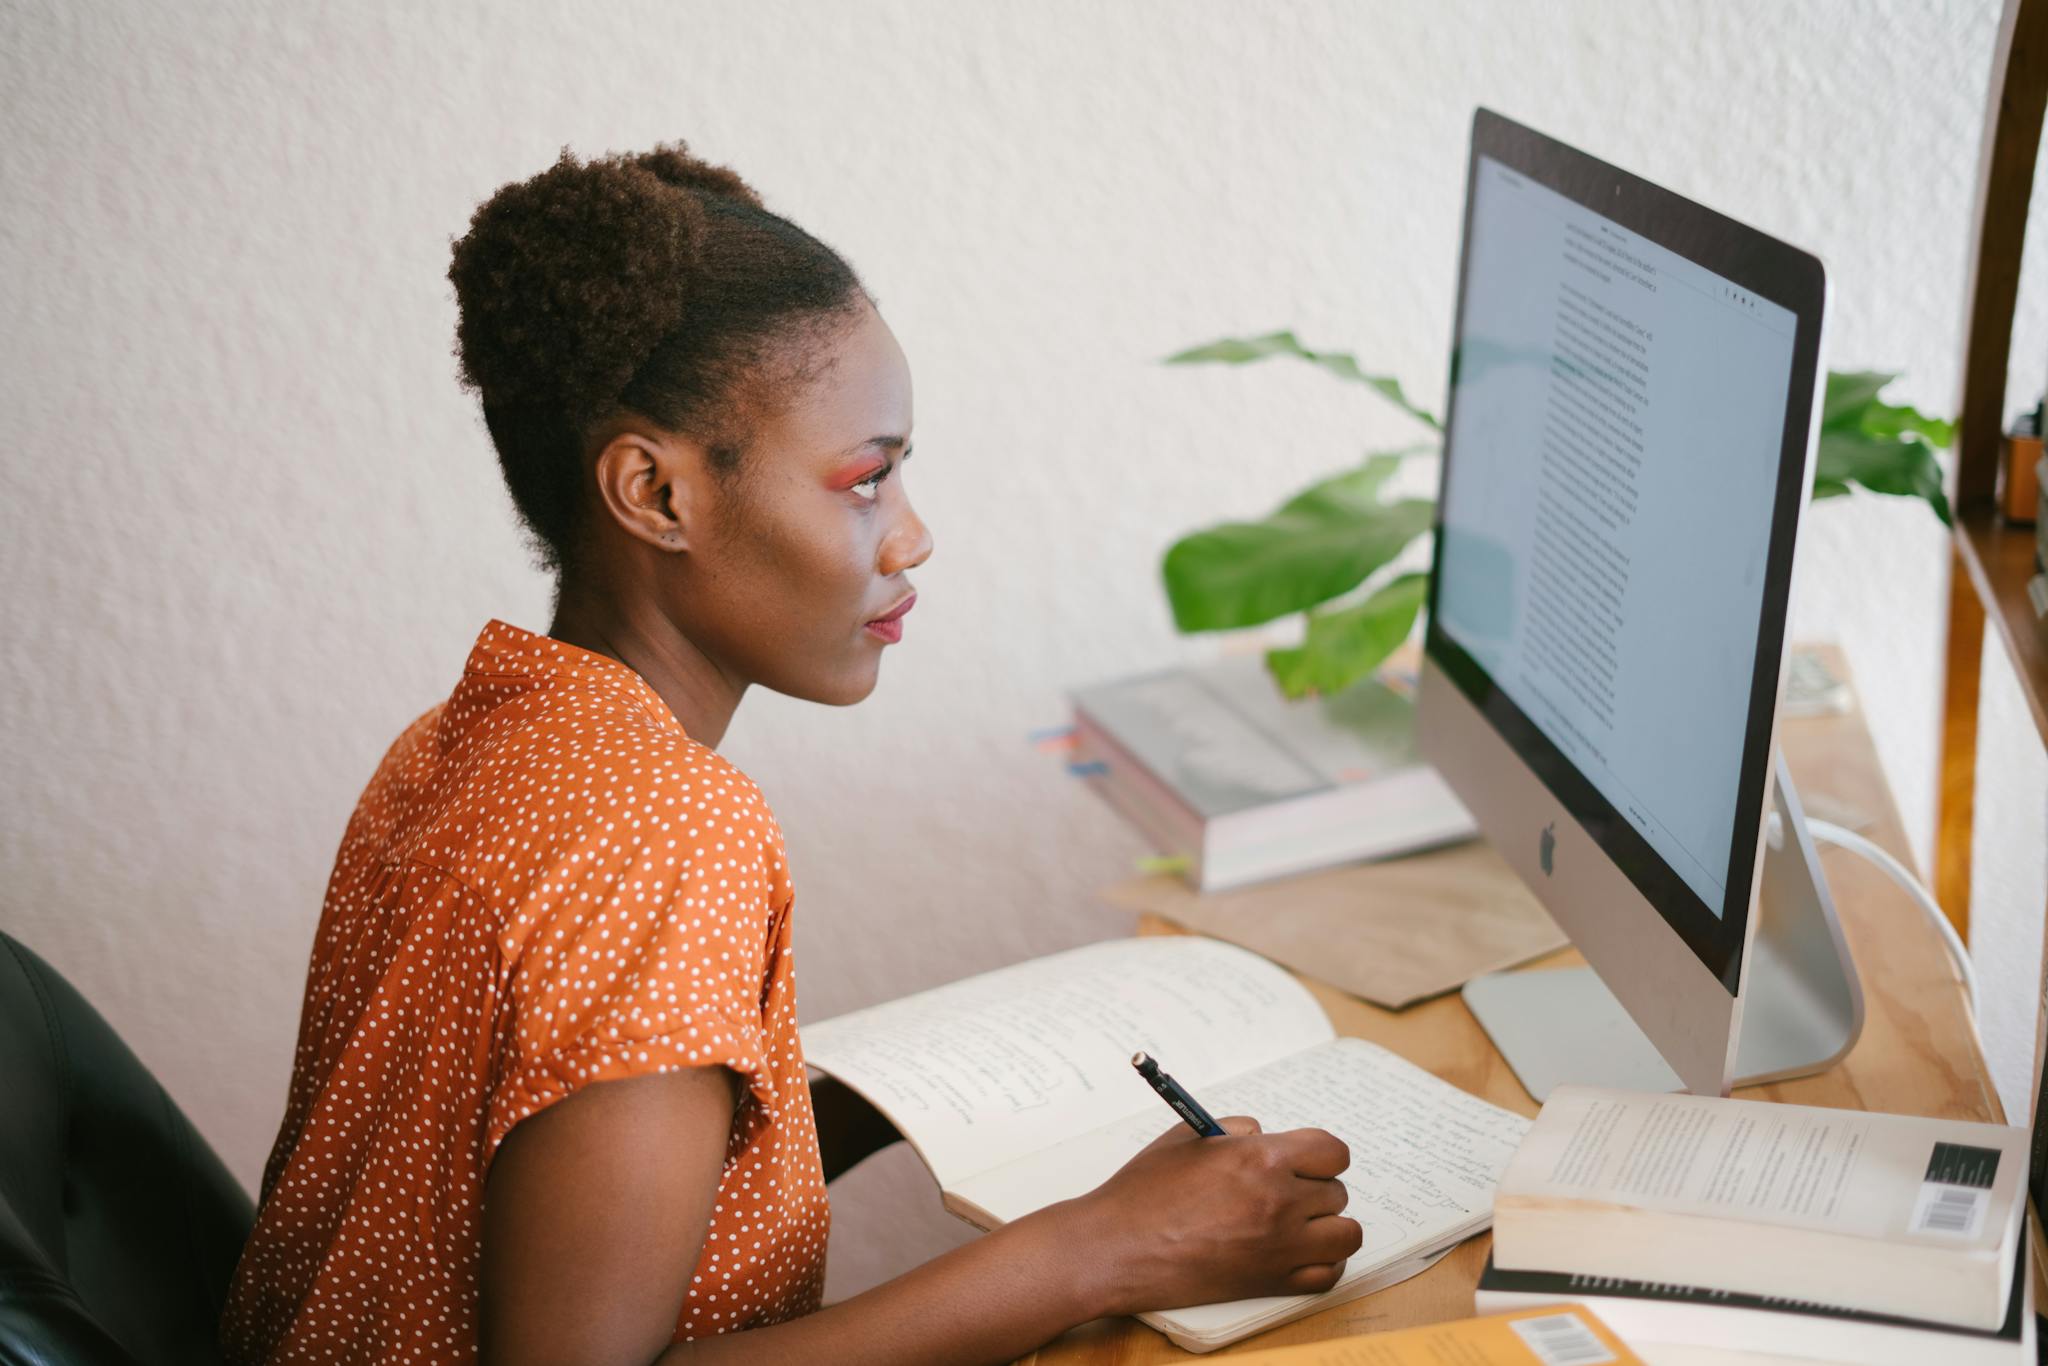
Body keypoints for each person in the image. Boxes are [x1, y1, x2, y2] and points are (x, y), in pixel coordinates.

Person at [220, 141, 1361, 1366]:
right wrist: (1101, 1247)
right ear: (655, 496)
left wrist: (844, 1114)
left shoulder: (463, 738)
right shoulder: (667, 829)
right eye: (865, 480)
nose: (911, 537)